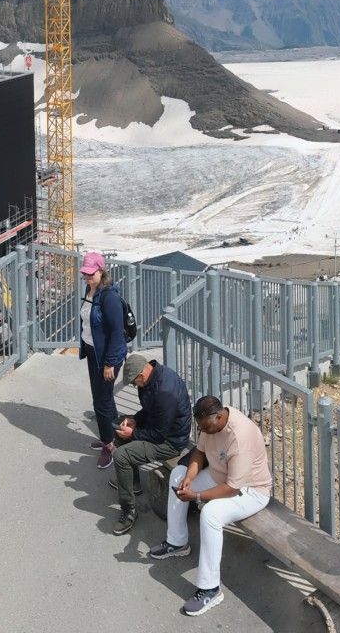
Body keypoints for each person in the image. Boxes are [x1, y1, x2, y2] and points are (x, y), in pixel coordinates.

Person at [151, 394, 274, 617]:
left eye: (206, 427)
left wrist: (197, 496)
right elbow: (198, 452)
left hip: (251, 490)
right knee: (178, 476)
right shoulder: (209, 423)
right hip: (221, 476)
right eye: (201, 428)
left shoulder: (240, 437)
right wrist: (189, 477)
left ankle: (210, 589)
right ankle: (177, 543)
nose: (203, 431)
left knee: (210, 514)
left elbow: (232, 488)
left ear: (219, 417)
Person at [103, 354, 192, 534]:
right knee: (119, 425)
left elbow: (159, 434)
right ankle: (133, 482)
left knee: (121, 456)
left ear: (141, 375)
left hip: (170, 442)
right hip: (159, 428)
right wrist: (134, 420)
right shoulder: (153, 377)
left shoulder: (165, 392)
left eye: (134, 383)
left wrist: (134, 433)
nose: (135, 386)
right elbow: (150, 410)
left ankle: (129, 511)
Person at [78, 253, 136, 453]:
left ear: (101, 271)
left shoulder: (109, 297)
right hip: (93, 351)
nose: (86, 277)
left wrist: (110, 363)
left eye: (90, 274)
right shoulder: (90, 289)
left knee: (101, 402)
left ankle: (109, 444)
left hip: (106, 357)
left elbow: (116, 333)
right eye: (84, 274)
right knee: (104, 398)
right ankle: (114, 436)